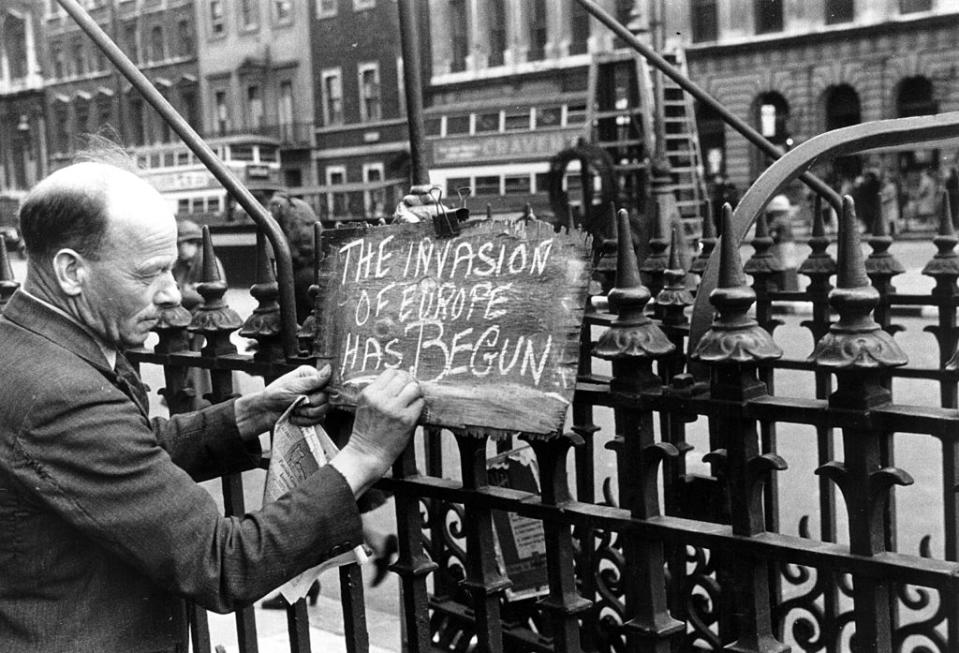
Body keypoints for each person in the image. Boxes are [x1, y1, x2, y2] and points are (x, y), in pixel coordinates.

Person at [0, 159, 424, 651]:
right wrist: (364, 456)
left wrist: (252, 412)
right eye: (150, 273)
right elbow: (222, 563)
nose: (172, 293)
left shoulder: (24, 343)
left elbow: (122, 453)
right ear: (72, 271)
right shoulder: (62, 394)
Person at [269, 192, 320, 323]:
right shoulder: (299, 206)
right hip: (314, 264)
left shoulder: (284, 209)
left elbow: (293, 242)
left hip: (303, 269)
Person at [172, 218, 226, 310]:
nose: (178, 249)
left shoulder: (209, 263)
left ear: (195, 243)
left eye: (181, 245)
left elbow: (218, 297)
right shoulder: (179, 264)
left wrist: (187, 291)